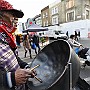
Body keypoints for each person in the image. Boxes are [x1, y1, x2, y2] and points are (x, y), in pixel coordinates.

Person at [0, 0, 36, 90]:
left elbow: (15, 57)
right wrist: (10, 79)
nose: (14, 18)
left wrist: (26, 67)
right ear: (1, 14)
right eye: (12, 14)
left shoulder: (6, 37)